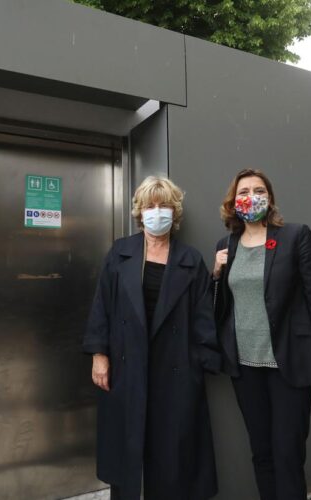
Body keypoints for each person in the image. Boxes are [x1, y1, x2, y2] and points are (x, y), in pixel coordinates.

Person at [83, 176, 220, 500]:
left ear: (175, 213)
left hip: (175, 369)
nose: (157, 212)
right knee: (126, 448)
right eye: (150, 206)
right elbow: (102, 305)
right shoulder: (121, 252)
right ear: (139, 212)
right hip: (127, 365)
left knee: (173, 453)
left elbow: (203, 318)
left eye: (164, 206)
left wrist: (199, 364)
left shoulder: (190, 259)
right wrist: (99, 356)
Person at [212, 168, 311, 500]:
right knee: (261, 452)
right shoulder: (227, 245)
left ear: (270, 198)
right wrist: (216, 274)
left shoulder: (295, 236)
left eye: (258, 190)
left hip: (289, 366)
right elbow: (219, 309)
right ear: (233, 201)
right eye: (243, 192)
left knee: (288, 455)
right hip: (245, 367)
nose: (250, 197)